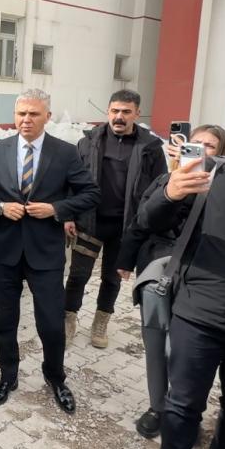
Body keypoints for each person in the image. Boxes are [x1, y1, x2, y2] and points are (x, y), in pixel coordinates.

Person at [137, 98, 225, 449]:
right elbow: (149, 221)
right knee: (181, 408)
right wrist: (170, 194)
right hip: (199, 316)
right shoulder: (210, 174)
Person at [0, 89, 100, 414]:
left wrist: (56, 209)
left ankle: (55, 377)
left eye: (33, 114)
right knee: (6, 321)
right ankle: (8, 376)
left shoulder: (65, 153)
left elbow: (91, 193)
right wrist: (0, 206)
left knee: (50, 323)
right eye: (21, 114)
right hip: (5, 251)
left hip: (45, 253)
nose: (26, 120)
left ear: (47, 116)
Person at [116, 123, 225, 439]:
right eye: (195, 144)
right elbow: (141, 222)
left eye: (210, 146)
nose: (201, 150)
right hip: (158, 273)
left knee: (190, 351)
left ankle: (186, 413)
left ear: (223, 155)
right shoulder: (165, 181)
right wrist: (125, 260)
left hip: (202, 277)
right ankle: (158, 406)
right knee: (157, 346)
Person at [63, 90, 167, 348]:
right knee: (78, 275)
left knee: (112, 278)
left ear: (137, 114)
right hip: (89, 222)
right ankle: (68, 318)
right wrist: (68, 215)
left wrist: (147, 226)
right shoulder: (88, 142)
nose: (119, 117)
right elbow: (72, 181)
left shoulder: (150, 149)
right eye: (115, 111)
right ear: (108, 111)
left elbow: (159, 187)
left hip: (126, 228)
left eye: (126, 112)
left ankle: (101, 321)